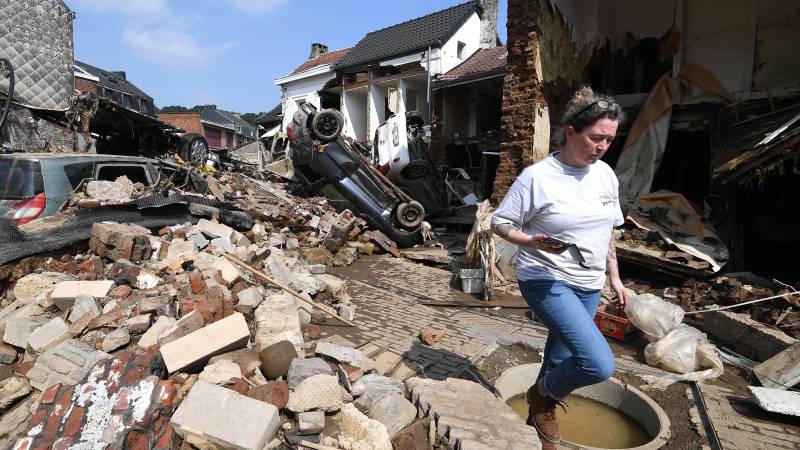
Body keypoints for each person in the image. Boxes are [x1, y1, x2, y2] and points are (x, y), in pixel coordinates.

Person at [490, 87, 628, 449]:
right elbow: (499, 223)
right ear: (571, 133)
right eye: (595, 138)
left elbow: (608, 231)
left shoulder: (605, 176)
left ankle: (537, 429)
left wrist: (614, 277)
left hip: (589, 281)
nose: (601, 147)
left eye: (609, 140)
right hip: (546, 278)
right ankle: (542, 397)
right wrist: (531, 242)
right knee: (597, 363)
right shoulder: (537, 177)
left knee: (561, 355)